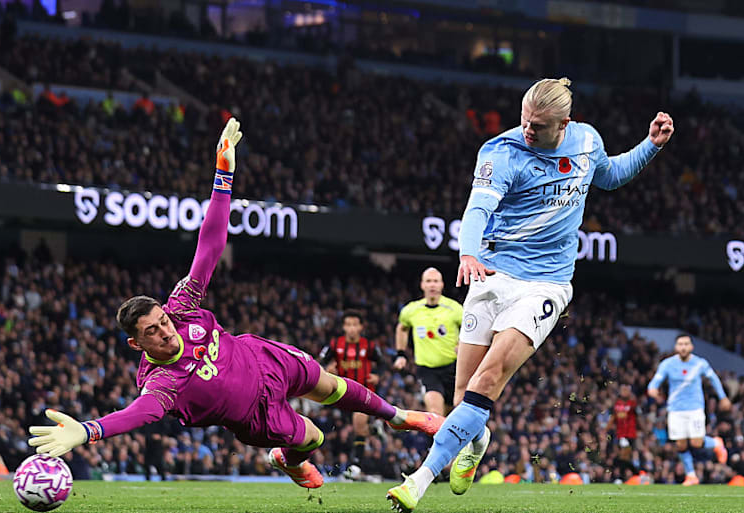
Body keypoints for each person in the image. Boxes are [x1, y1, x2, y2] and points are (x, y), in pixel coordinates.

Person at [27, 119, 443, 489]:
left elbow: (209, 246)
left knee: (330, 385)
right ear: (137, 345)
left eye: (161, 320)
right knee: (313, 437)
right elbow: (138, 415)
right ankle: (288, 460)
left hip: (262, 357)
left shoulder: (182, 307)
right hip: (255, 416)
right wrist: (88, 431)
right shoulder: (161, 382)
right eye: (151, 331)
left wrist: (222, 176)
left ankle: (398, 416)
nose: (164, 329)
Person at [387, 77, 674, 511]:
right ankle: (477, 438)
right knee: (464, 396)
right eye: (524, 120)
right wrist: (467, 251)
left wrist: (650, 145)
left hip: (546, 284)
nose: (528, 130)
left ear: (565, 124)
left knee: (487, 381)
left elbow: (611, 175)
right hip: (491, 272)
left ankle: (420, 479)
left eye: (538, 126)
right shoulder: (501, 152)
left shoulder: (585, 141)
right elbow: (478, 208)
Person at [647, 333, 730, 485]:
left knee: (696, 442)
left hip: (695, 408)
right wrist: (652, 388)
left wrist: (723, 397)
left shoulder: (700, 363)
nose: (683, 347)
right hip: (675, 409)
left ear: (691, 346)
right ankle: (691, 475)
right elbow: (656, 379)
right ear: (676, 347)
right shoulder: (668, 364)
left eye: (686, 344)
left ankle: (716, 443)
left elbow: (713, 379)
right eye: (680, 344)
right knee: (681, 444)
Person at [318, 309, 383, 472]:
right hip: (341, 393)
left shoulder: (369, 346)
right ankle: (374, 428)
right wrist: (328, 369)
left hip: (364, 392)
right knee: (345, 430)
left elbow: (382, 363)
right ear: (344, 327)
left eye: (355, 325)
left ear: (361, 327)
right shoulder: (334, 344)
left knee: (358, 423)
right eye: (348, 325)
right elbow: (319, 362)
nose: (352, 328)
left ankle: (356, 464)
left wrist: (377, 375)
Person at [393, 268, 463, 415]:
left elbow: (470, 329)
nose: (432, 285)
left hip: (452, 368)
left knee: (450, 413)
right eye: (429, 281)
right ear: (422, 285)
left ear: (442, 285)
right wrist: (401, 354)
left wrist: (462, 344)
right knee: (434, 412)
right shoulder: (411, 310)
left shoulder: (455, 309)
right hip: (427, 369)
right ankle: (435, 437)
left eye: (436, 281)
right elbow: (402, 328)